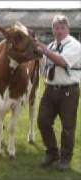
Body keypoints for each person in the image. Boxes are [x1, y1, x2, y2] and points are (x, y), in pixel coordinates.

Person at [35, 14, 81, 171]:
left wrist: (44, 50)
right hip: (50, 89)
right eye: (56, 27)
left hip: (68, 91)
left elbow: (61, 61)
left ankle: (65, 158)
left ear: (68, 29)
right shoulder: (52, 45)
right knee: (42, 120)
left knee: (68, 127)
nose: (59, 30)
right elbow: (45, 63)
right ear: (53, 30)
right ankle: (52, 152)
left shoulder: (75, 45)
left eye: (62, 27)